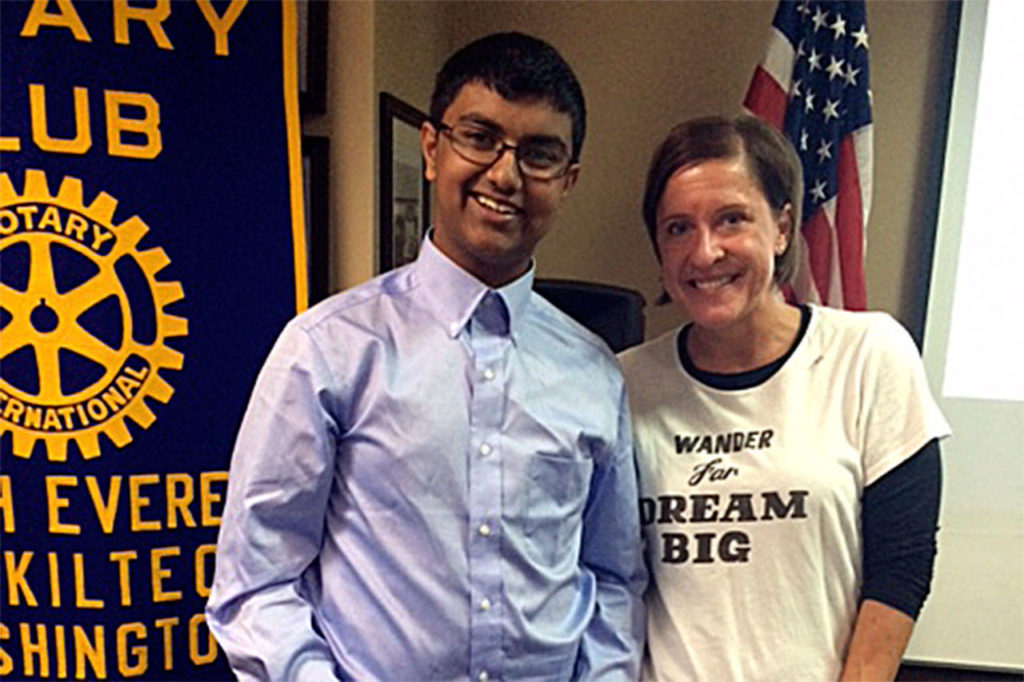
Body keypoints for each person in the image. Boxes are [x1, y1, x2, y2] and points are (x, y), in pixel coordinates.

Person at [206, 32, 646, 681]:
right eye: (480, 137)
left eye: (539, 153)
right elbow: (256, 586)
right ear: (433, 148)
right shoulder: (327, 350)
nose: (504, 174)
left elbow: (612, 577)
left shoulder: (594, 372)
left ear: (568, 179)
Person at [618, 115, 949, 681]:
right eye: (677, 228)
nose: (705, 252)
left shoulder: (868, 355)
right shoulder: (623, 385)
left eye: (732, 220)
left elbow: (902, 566)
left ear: (781, 227)